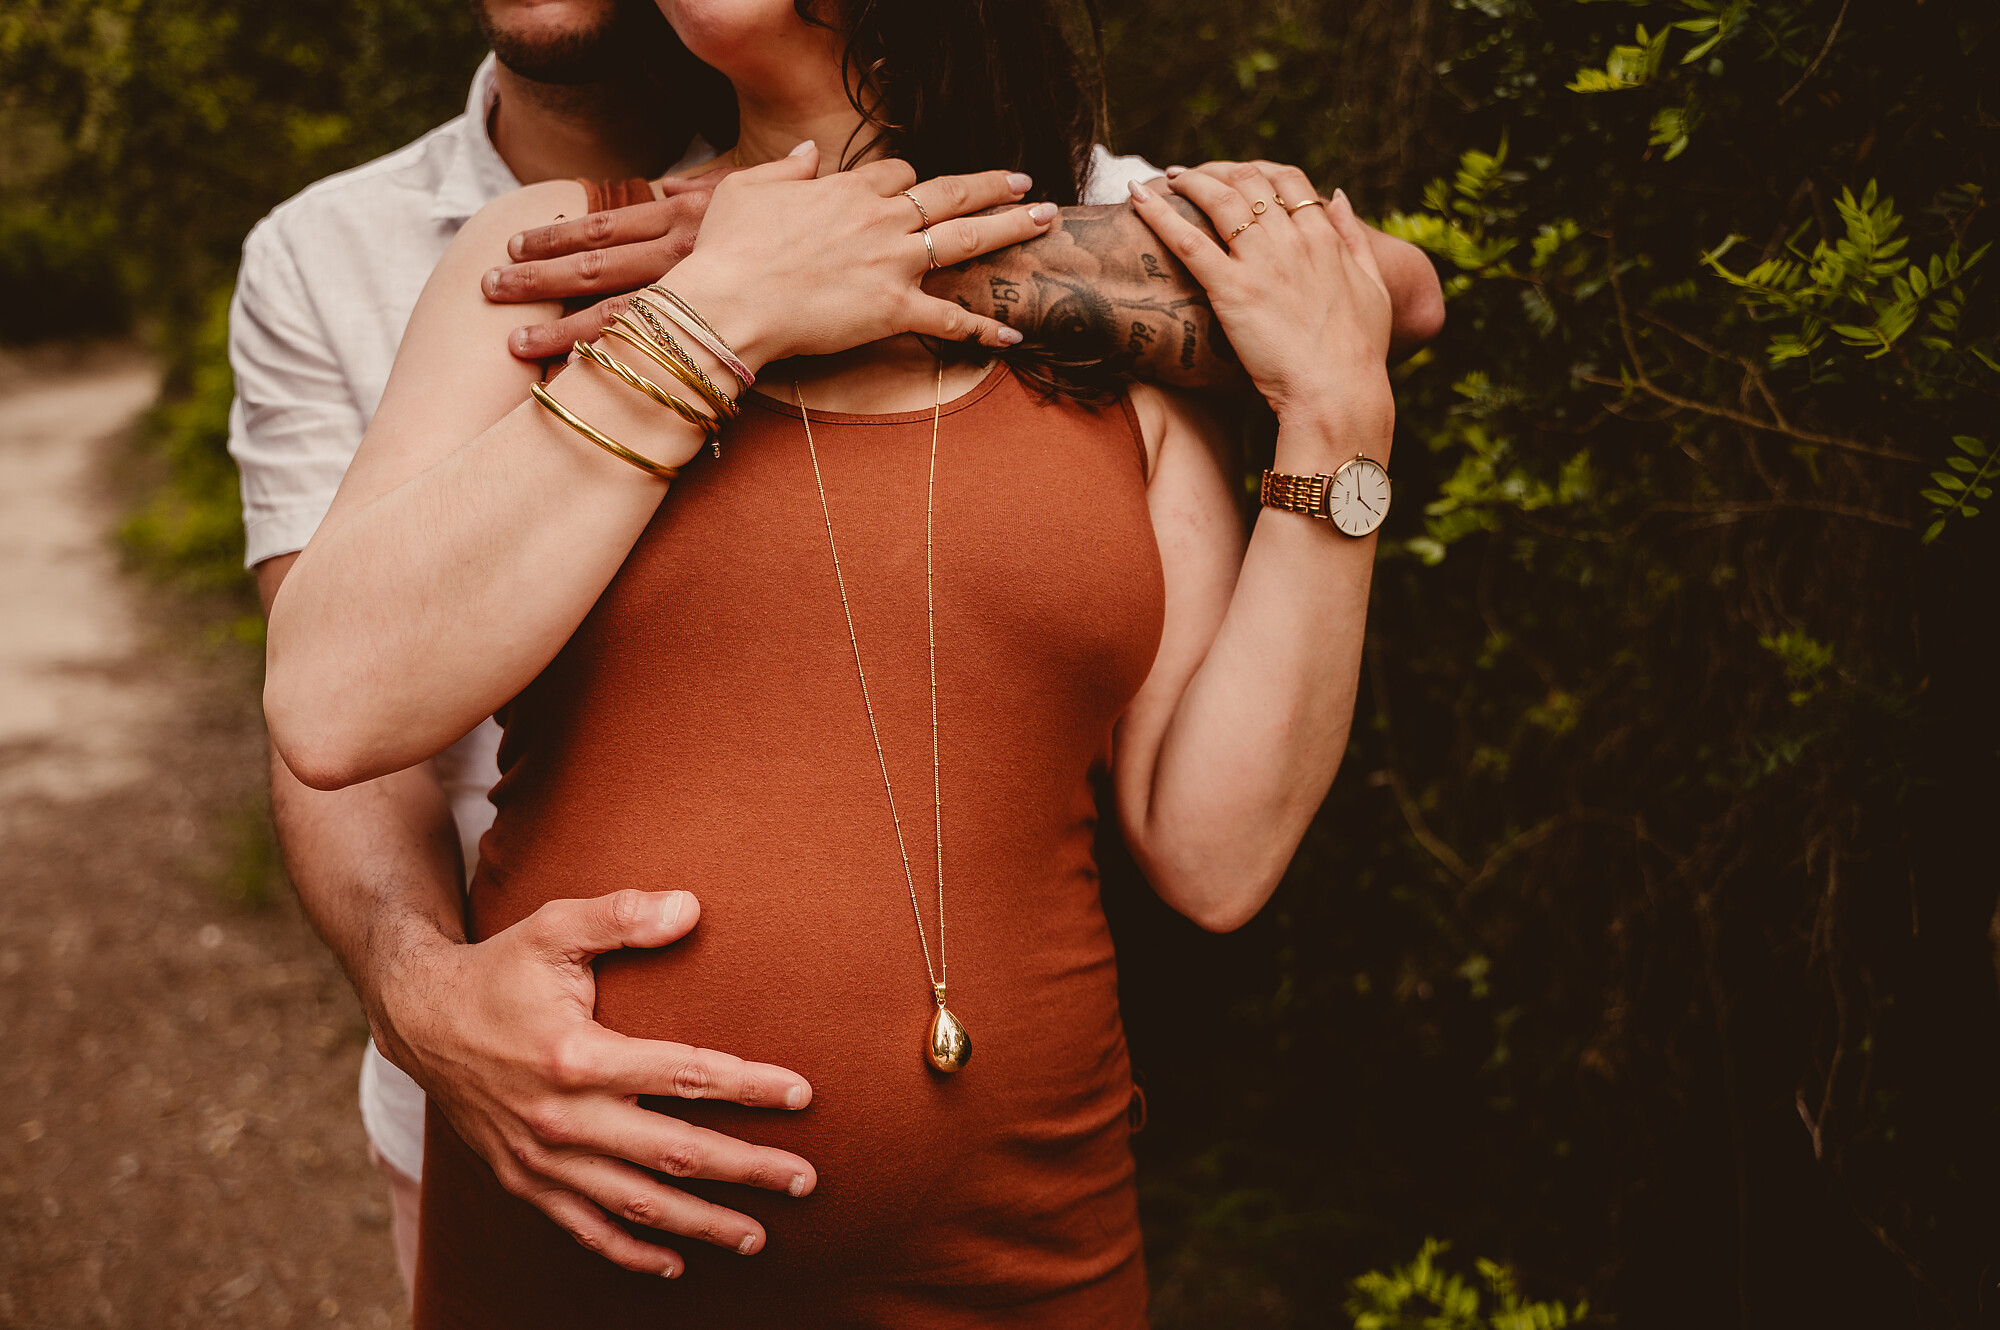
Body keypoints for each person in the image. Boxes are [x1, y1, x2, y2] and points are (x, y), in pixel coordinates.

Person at [234, 0, 1443, 1304]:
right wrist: (715, 311)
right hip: (586, 1252)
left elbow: (1214, 852)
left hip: (1025, 1252)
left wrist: (1336, 423)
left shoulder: (1123, 306)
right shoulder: (559, 257)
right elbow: (331, 706)